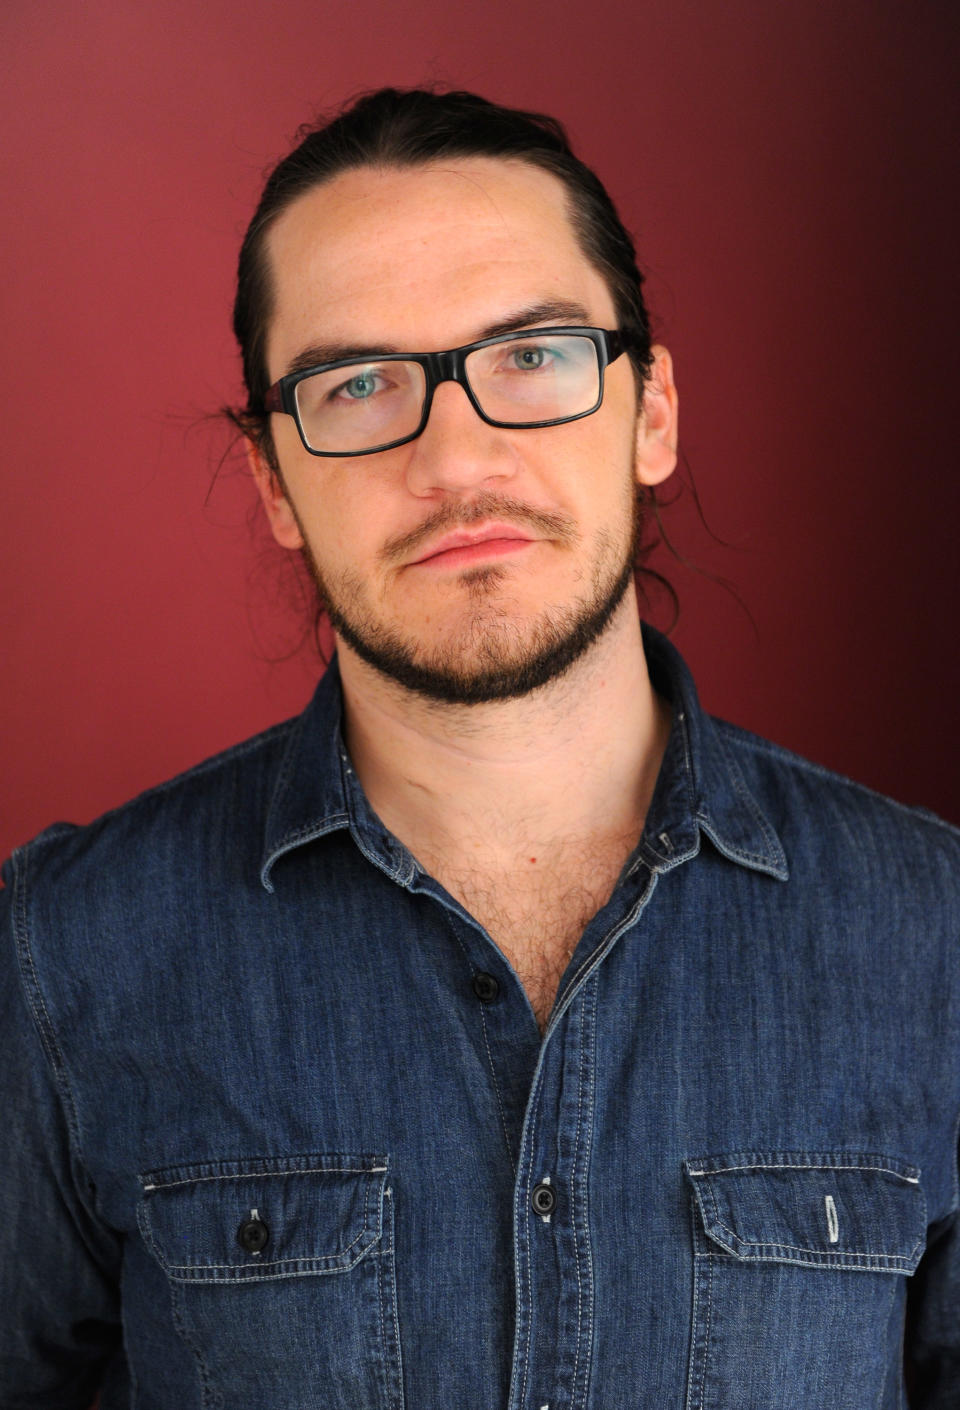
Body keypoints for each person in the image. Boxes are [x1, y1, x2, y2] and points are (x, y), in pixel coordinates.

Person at [2, 87, 958, 1410]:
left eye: (533, 356)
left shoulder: (936, 934)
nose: (456, 457)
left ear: (653, 410)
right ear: (277, 482)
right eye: (357, 383)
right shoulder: (62, 954)